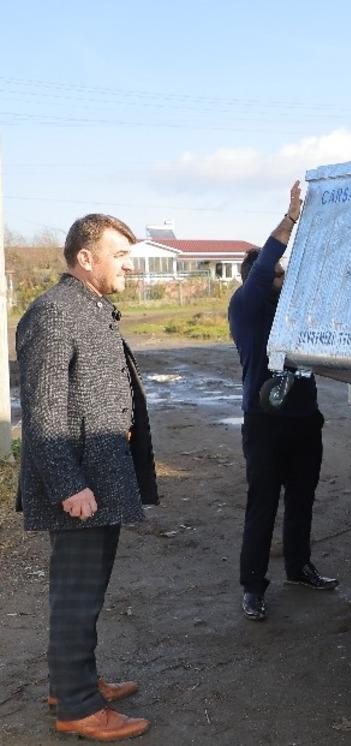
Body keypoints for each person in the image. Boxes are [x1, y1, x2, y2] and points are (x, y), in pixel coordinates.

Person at [16, 213, 159, 741]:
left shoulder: (89, 306)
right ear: (85, 257)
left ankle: (71, 683)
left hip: (101, 479)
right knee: (76, 597)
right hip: (80, 487)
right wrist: (67, 486)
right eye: (119, 255)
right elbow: (43, 413)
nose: (129, 265)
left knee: (86, 592)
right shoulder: (54, 313)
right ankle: (77, 707)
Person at [228, 180, 338, 622]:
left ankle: (299, 567)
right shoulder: (246, 306)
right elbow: (266, 265)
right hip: (265, 422)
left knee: (302, 498)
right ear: (259, 278)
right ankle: (253, 587)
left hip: (304, 419)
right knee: (263, 504)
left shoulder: (291, 309)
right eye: (278, 274)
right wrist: (291, 218)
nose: (284, 278)